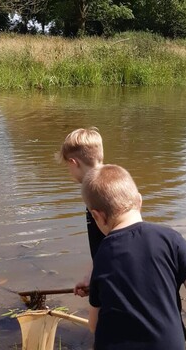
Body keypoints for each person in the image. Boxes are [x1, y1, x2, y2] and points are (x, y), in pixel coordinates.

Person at [82, 164, 186, 350]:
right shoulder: (171, 239)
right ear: (139, 200)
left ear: (97, 216)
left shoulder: (103, 252)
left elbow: (93, 325)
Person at [56, 127, 105, 297]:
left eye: (68, 167)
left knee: (96, 323)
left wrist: (99, 280)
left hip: (111, 275)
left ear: (73, 163)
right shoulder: (115, 183)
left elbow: (114, 240)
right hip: (108, 270)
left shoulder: (95, 192)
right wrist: (90, 276)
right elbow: (104, 242)